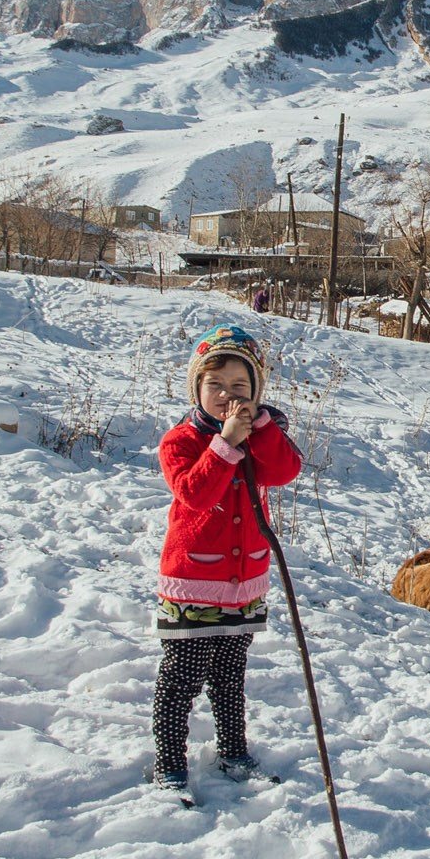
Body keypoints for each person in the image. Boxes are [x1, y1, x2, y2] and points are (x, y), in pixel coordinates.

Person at [147, 323, 303, 793]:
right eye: (215, 384)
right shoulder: (181, 441)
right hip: (193, 583)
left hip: (244, 583)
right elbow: (194, 494)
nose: (227, 396)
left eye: (239, 386)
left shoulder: (260, 436)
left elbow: (284, 471)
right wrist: (224, 444)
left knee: (230, 676)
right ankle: (170, 762)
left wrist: (260, 429)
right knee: (182, 679)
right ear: (197, 388)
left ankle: (233, 751)